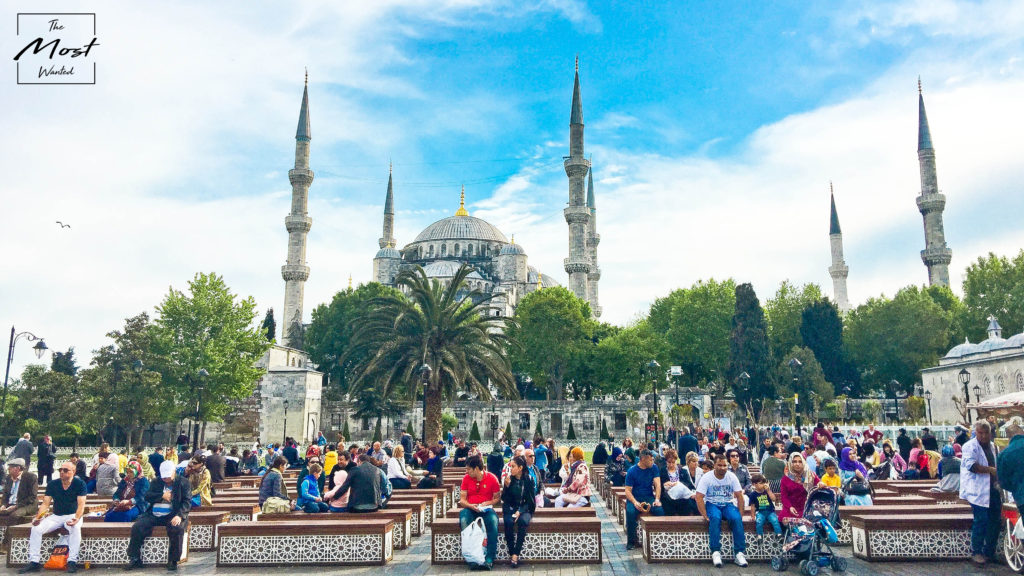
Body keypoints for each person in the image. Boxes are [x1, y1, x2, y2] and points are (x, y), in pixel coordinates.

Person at [17, 461, 87, 574]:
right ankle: (34, 561)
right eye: (60, 470)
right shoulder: (53, 484)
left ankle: (72, 561)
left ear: (73, 472)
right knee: (36, 528)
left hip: (73, 515)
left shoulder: (80, 484)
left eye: (65, 470)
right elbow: (45, 503)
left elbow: (81, 504)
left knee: (75, 529)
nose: (62, 472)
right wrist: (39, 517)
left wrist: (77, 518)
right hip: (56, 516)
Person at [122, 461, 190, 572]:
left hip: (173, 514)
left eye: (168, 476)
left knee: (177, 529)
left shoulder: (183, 482)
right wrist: (161, 496)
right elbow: (148, 496)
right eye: (164, 477)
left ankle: (173, 560)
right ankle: (134, 557)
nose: (166, 479)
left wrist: (180, 516)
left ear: (174, 472)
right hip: (154, 514)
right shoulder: (156, 481)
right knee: (137, 526)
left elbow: (187, 501)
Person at [960, 420, 1001, 566]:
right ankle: (976, 552)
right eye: (980, 433)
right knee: (981, 521)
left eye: (986, 433)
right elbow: (972, 466)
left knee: (995, 521)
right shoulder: (969, 447)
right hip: (978, 491)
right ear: (975, 432)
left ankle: (989, 552)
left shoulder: (993, 447)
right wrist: (990, 470)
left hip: (993, 489)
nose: (983, 436)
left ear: (990, 433)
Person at [696, 455, 748, 568]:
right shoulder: (707, 477)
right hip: (712, 503)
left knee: (736, 518)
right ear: (714, 465)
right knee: (715, 518)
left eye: (725, 465)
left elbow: (740, 496)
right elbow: (699, 496)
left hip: (728, 504)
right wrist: (704, 514)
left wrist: (741, 513)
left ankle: (739, 553)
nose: (722, 468)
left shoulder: (731, 476)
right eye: (719, 465)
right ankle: (715, 552)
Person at [458, 455, 501, 569]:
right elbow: (462, 500)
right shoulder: (466, 478)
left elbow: (497, 498)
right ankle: (471, 558)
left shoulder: (492, 478)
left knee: (493, 521)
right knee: (464, 519)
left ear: (476, 468)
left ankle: (489, 558)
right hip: (470, 508)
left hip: (485, 509)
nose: (467, 471)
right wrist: (470, 506)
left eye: (468, 469)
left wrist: (486, 503)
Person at [624, 449, 664, 550]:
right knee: (630, 512)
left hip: (649, 497)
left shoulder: (653, 468)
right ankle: (631, 541)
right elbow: (628, 491)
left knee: (660, 511)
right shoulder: (632, 471)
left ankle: (659, 538)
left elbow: (658, 485)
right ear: (643, 459)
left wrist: (657, 499)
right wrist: (634, 502)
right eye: (650, 460)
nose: (652, 462)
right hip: (635, 498)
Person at [501, 455, 536, 568]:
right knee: (508, 522)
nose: (510, 469)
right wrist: (506, 486)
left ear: (520, 468)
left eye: (513, 466)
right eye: (510, 466)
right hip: (510, 508)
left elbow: (531, 502)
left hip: (525, 508)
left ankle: (516, 554)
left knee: (522, 522)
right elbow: (504, 499)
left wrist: (520, 511)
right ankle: (512, 553)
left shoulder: (528, 479)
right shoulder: (509, 479)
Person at [779, 452, 824, 521]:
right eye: (794, 461)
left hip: (807, 508)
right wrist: (790, 507)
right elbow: (784, 497)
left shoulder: (810, 475)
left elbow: (820, 483)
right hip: (790, 508)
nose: (797, 464)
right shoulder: (786, 479)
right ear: (790, 463)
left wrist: (821, 484)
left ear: (803, 462)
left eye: (800, 461)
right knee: (786, 519)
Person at [0, 458, 39, 523]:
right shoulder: (9, 478)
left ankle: (8, 533)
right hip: (10, 505)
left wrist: (16, 506)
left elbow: (32, 497)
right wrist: (3, 505)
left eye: (10, 467)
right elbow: (5, 494)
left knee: (14, 515)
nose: (8, 469)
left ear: (17, 468)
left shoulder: (30, 477)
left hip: (26, 505)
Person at [998, 424, 1024, 518]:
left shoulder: (1003, 455)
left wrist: (1015, 488)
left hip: (1021, 497)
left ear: (1008, 437)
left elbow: (1003, 483)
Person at [660, 449, 696, 516]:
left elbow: (689, 484)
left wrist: (678, 484)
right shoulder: (662, 471)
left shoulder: (683, 471)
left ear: (676, 461)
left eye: (673, 462)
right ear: (666, 461)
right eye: (669, 462)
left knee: (688, 505)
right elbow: (660, 486)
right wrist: (664, 484)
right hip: (668, 498)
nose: (671, 465)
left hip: (682, 498)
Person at [748, 473, 781, 539]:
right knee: (759, 522)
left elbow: (774, 499)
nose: (763, 485)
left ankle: (779, 534)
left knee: (775, 520)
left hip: (770, 511)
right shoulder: (753, 494)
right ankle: (759, 535)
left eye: (763, 483)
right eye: (760, 483)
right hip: (760, 512)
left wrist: (768, 490)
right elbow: (752, 506)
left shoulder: (767, 491)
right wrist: (752, 516)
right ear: (754, 484)